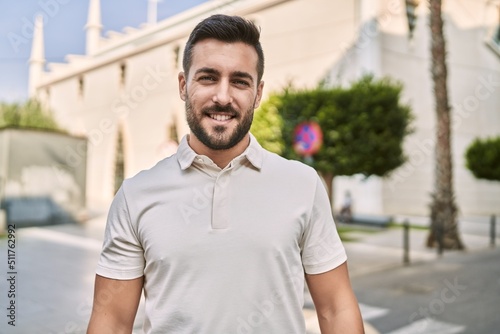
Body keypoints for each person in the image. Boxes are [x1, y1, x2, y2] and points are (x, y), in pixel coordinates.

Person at [87, 14, 364, 334]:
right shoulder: (135, 196)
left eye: (239, 81)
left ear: (258, 93)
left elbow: (336, 308)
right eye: (207, 77)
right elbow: (112, 322)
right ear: (183, 85)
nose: (222, 96)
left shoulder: (303, 185)